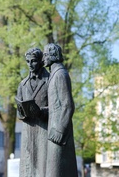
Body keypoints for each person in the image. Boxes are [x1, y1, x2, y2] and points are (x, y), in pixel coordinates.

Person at [43, 43, 78, 177]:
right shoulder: (54, 74)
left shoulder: (60, 74)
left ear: (53, 55)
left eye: (45, 55)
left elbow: (68, 105)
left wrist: (59, 130)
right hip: (54, 130)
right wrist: (42, 110)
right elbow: (56, 106)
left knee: (55, 171)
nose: (43, 59)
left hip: (59, 133)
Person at [16, 47, 49, 177]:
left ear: (40, 61)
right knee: (28, 168)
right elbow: (19, 109)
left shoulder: (49, 81)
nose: (30, 65)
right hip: (28, 131)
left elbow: (57, 107)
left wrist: (41, 112)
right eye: (27, 61)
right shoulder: (22, 84)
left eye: (33, 61)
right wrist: (21, 111)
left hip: (43, 130)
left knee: (43, 168)